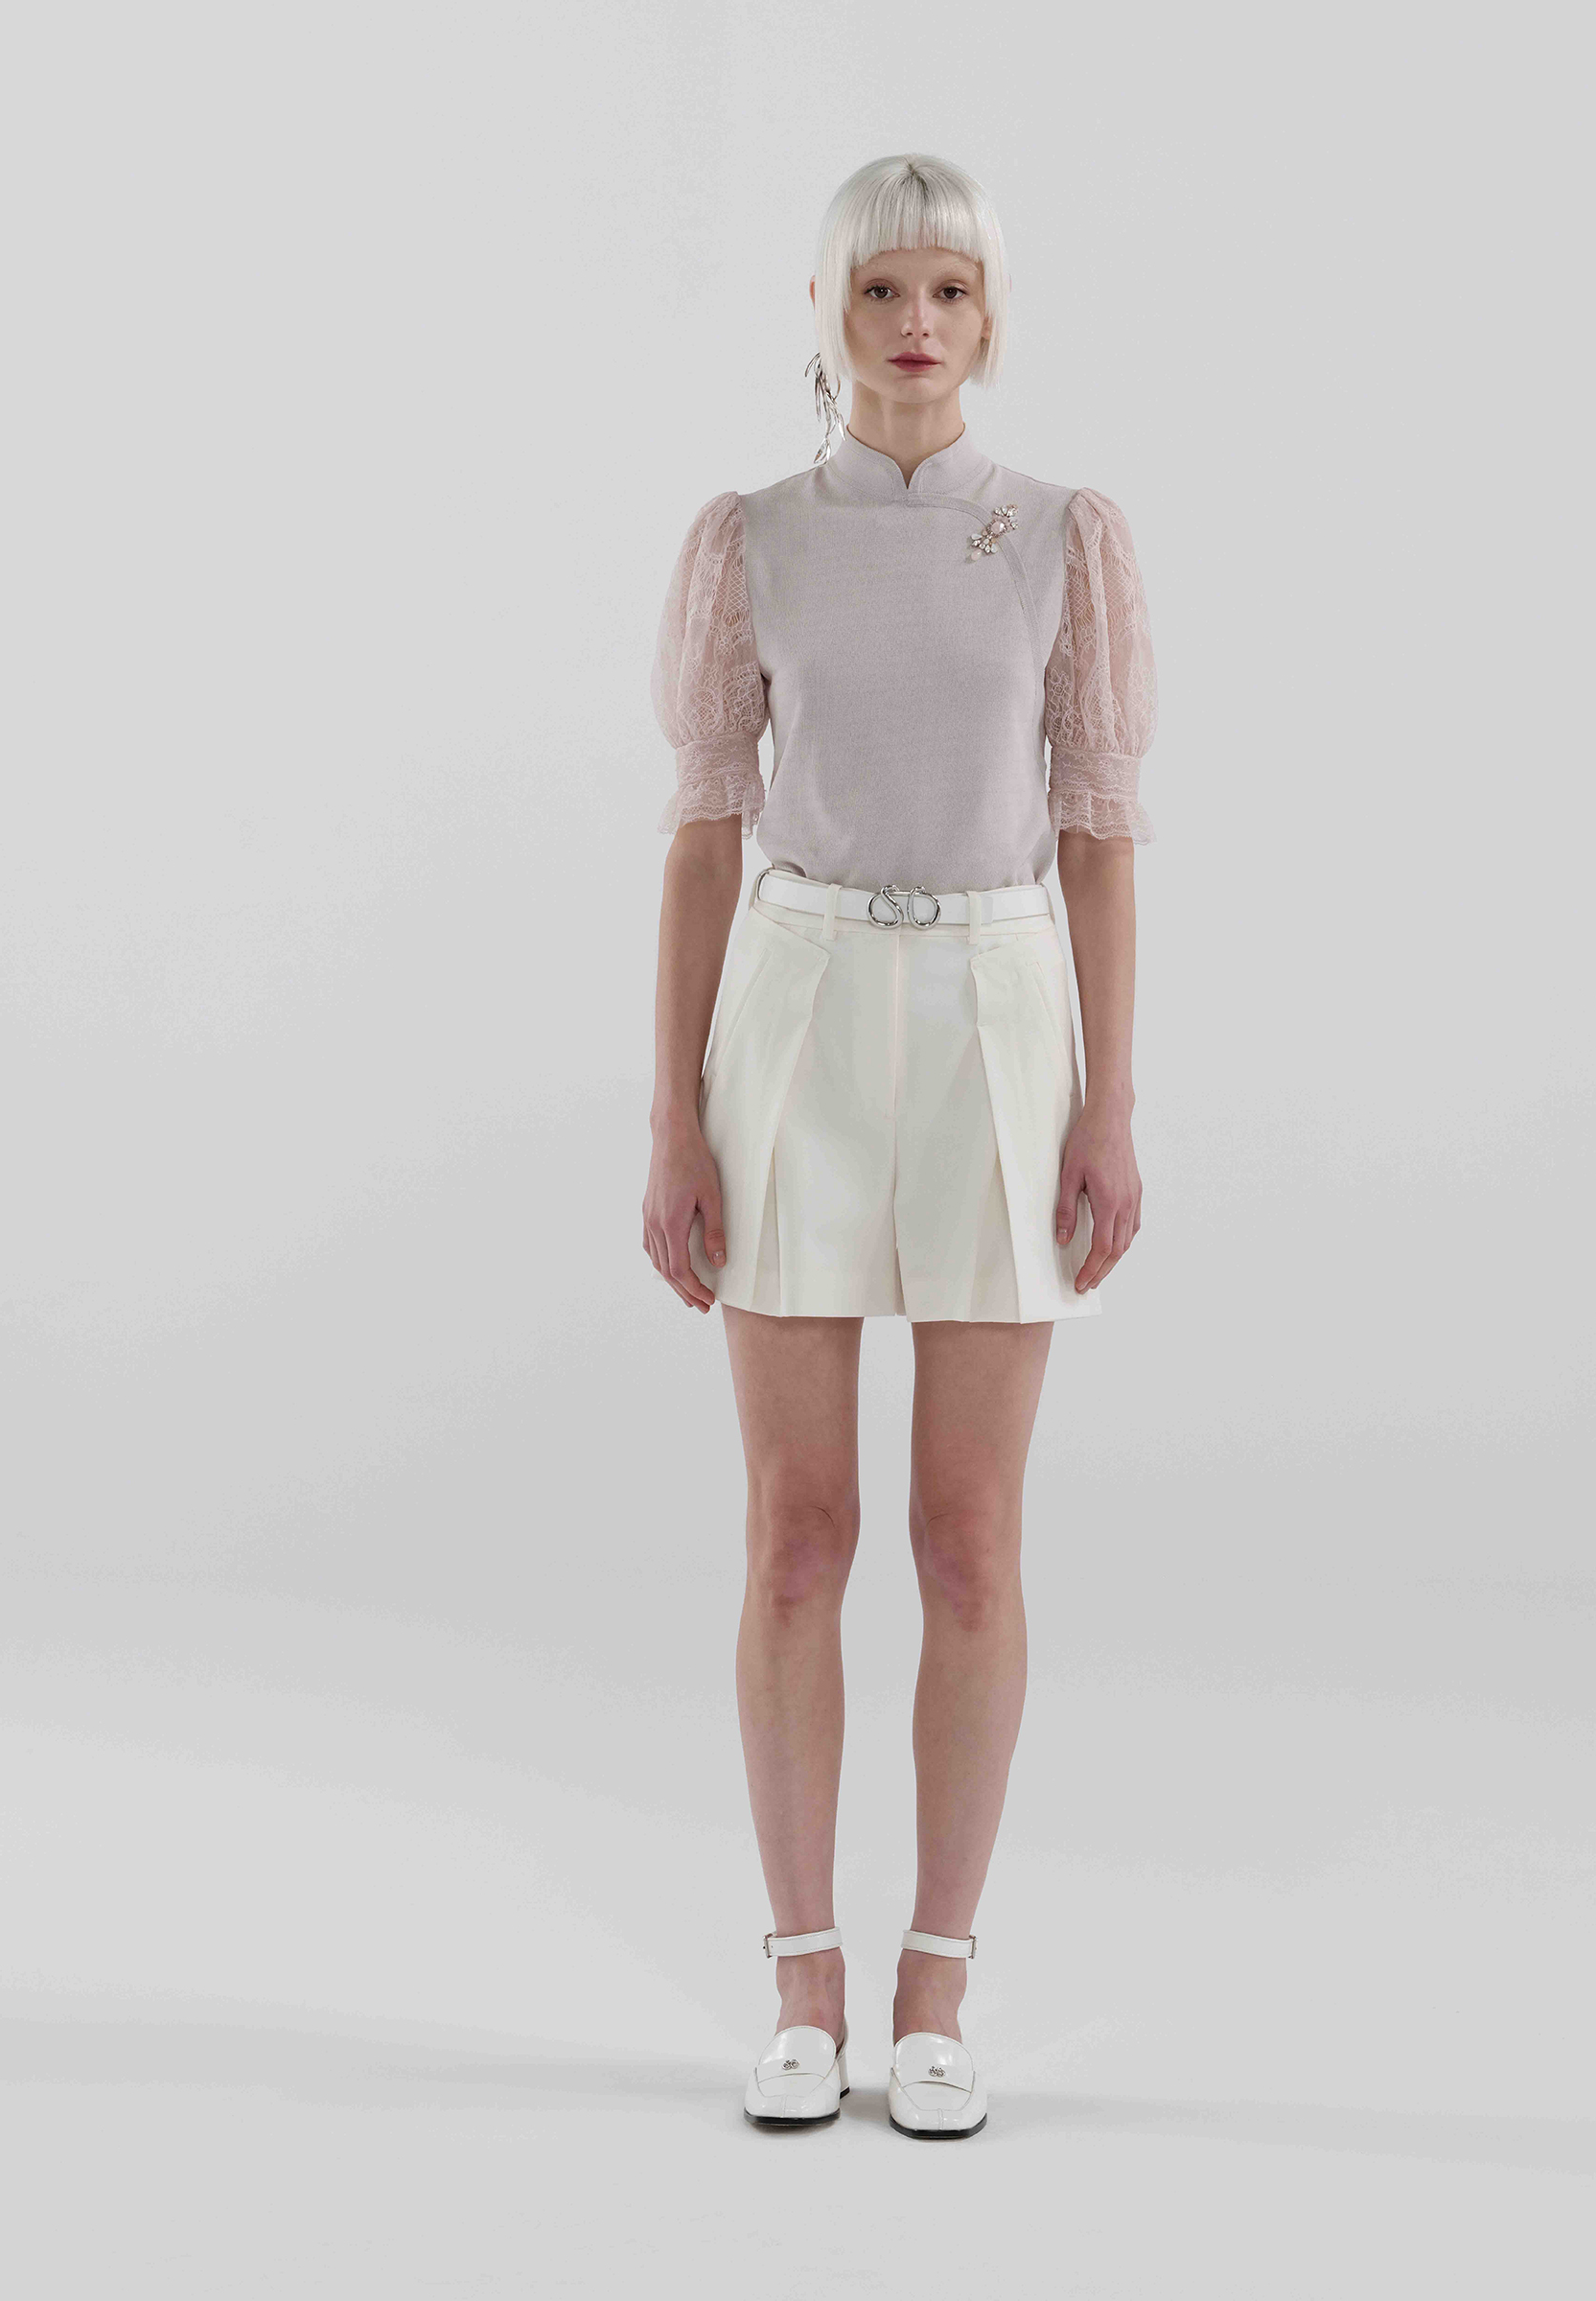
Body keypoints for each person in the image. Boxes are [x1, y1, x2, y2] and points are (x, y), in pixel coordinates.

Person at [641, 151, 1156, 2140]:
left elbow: (1097, 836)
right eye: (880, 291)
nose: (916, 324)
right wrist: (675, 1111)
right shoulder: (753, 542)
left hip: (999, 1023)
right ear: (825, 312)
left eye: (947, 289)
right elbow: (703, 837)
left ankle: (936, 1983)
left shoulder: (1063, 543)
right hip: (795, 1017)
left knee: (967, 1536)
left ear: (990, 315)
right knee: (797, 1528)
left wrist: (1109, 1097)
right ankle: (802, 1979)